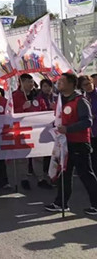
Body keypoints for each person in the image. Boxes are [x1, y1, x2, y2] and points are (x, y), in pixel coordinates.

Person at [45, 73, 97, 216]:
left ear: (71, 84)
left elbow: (87, 121)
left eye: (62, 81)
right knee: (64, 173)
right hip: (64, 143)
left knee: (85, 174)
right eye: (59, 81)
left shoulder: (80, 100)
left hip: (79, 143)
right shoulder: (60, 101)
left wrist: (68, 129)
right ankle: (61, 203)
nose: (59, 83)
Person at [79, 75, 97, 172]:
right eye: (85, 85)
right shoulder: (83, 97)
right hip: (89, 132)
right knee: (93, 157)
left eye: (89, 83)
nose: (88, 86)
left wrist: (94, 116)